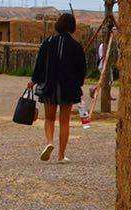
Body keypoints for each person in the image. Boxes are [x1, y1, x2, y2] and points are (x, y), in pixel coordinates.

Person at [31, 12, 88, 164]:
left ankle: (49, 142)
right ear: (72, 27)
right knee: (64, 121)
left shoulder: (48, 42)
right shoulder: (76, 47)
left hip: (49, 85)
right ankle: (61, 155)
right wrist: (79, 84)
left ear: (59, 25)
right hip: (68, 88)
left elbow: (40, 64)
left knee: (49, 119)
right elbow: (82, 69)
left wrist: (33, 80)